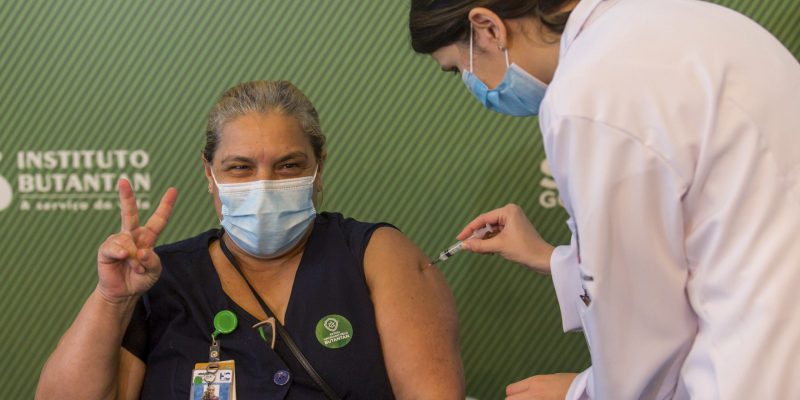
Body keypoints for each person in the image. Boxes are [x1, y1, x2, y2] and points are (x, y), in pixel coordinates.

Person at [409, 0, 800, 399]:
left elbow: (643, 342)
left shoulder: (586, 97)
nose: (474, 87)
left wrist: (579, 393)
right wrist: (553, 259)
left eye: (459, 68)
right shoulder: (681, 20)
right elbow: (698, 234)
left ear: (488, 28)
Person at [36, 80, 464, 399]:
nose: (263, 186)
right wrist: (112, 299)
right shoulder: (160, 278)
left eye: (288, 165)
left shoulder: (376, 256)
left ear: (319, 168)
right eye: (240, 168)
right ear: (210, 174)